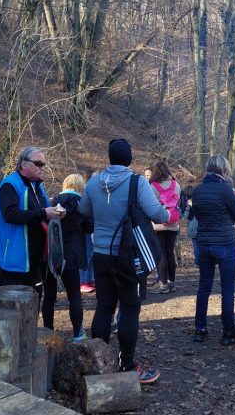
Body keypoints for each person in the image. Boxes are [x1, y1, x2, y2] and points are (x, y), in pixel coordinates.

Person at [79, 138, 168, 384]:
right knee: (129, 308)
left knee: (104, 307)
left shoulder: (94, 182)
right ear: (129, 158)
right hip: (128, 256)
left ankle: (97, 364)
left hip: (101, 254)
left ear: (110, 157)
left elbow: (83, 211)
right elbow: (158, 214)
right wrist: (166, 212)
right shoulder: (137, 182)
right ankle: (127, 364)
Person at [0, 147, 64, 302]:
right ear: (23, 163)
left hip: (36, 258)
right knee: (12, 306)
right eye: (38, 163)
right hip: (15, 259)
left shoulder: (37, 186)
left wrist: (56, 213)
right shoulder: (10, 184)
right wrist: (44, 213)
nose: (42, 168)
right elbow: (10, 215)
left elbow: (42, 214)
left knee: (34, 302)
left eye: (44, 164)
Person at [190, 155, 235, 345]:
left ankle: (200, 329)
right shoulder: (225, 189)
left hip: (204, 243)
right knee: (227, 289)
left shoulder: (197, 190)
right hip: (224, 244)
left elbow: (197, 215)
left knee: (204, 287)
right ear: (224, 170)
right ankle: (228, 332)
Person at [43, 174, 92, 341]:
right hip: (71, 255)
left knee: (49, 296)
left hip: (51, 253)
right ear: (80, 186)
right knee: (74, 296)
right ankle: (78, 334)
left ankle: (48, 333)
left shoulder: (52, 201)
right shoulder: (81, 203)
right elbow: (90, 227)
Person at [149, 161, 181, 294]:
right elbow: (179, 202)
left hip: (159, 223)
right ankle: (172, 283)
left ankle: (163, 284)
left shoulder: (153, 186)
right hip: (173, 221)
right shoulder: (176, 184)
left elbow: (151, 205)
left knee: (161, 252)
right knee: (170, 252)